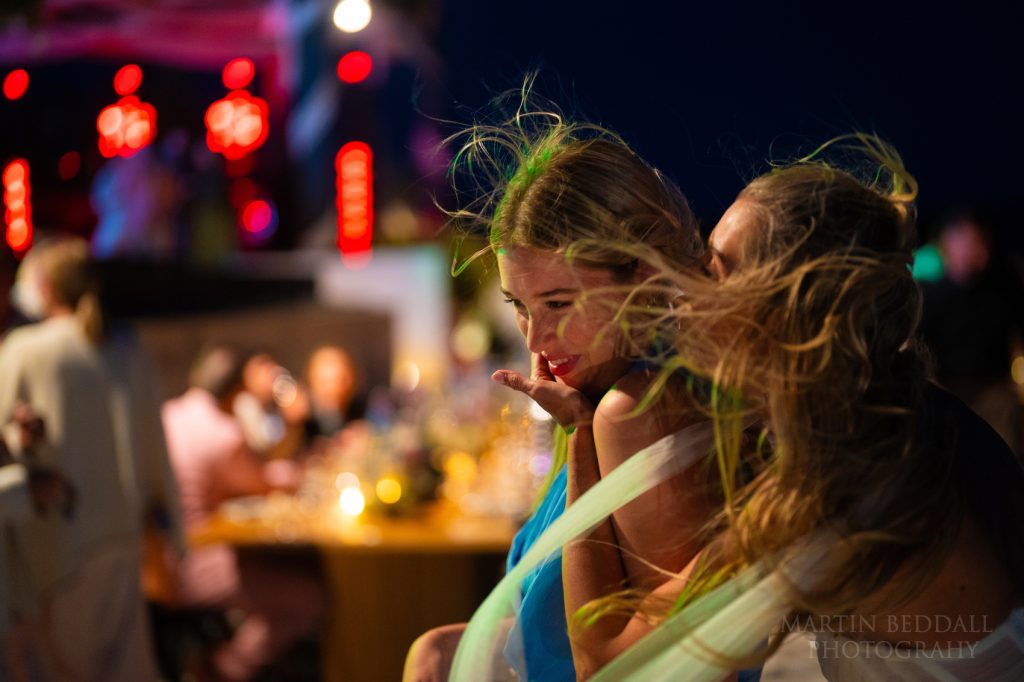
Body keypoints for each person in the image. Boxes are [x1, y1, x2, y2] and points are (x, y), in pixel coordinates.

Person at [575, 136, 1024, 680]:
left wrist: (580, 435)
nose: (685, 291)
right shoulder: (918, 417)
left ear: (786, 307)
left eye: (715, 270)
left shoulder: (832, 501)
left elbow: (607, 664)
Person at [405, 98, 739, 681]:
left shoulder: (635, 410)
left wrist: (583, 435)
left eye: (560, 303)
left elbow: (652, 666)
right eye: (520, 306)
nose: (538, 336)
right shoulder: (621, 387)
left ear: (643, 274)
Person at [0, 236, 164, 680]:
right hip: (121, 536)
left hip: (62, 547)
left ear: (44, 286)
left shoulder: (25, 348)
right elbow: (154, 442)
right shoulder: (124, 345)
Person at [161, 345, 323, 682]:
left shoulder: (169, 412)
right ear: (238, 388)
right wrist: (302, 469)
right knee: (310, 597)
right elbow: (261, 483)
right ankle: (225, 669)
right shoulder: (221, 432)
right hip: (193, 558)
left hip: (160, 556)